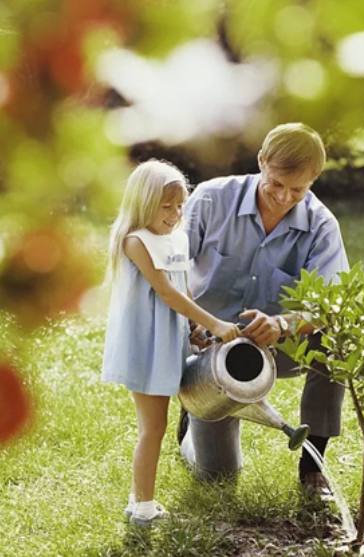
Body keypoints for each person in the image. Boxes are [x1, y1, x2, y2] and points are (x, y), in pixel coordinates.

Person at [178, 123, 349, 497]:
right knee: (219, 478)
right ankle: (194, 410)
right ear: (261, 161)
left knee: (339, 341)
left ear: (314, 180)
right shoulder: (210, 199)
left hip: (277, 347)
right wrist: (195, 321)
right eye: (275, 183)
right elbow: (170, 269)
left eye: (298, 190)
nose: (284, 197)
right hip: (205, 345)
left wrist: (283, 324)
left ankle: (313, 465)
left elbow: (331, 303)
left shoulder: (322, 225)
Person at [102, 160, 241, 526]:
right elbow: (164, 292)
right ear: (143, 203)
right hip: (147, 345)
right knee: (154, 427)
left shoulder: (176, 238)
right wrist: (213, 322)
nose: (175, 214)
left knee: (159, 425)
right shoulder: (136, 241)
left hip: (169, 338)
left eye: (180, 205)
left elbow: (183, 287)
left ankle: (140, 500)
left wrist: (194, 328)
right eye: (166, 206)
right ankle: (143, 507)